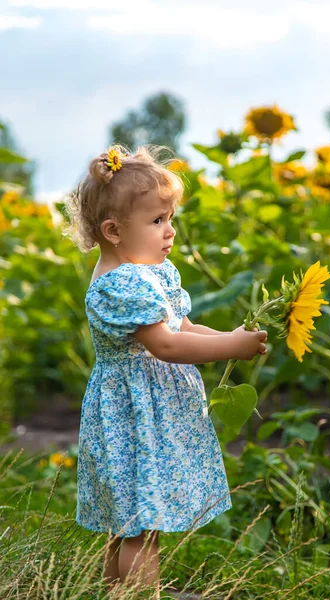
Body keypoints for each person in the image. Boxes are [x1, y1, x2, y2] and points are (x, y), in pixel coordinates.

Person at [63, 144, 268, 599]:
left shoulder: (147, 272)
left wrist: (229, 336)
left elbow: (183, 326)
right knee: (141, 527)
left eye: (170, 218)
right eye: (157, 221)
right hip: (135, 417)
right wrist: (231, 347)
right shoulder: (121, 284)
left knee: (131, 523)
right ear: (114, 230)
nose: (170, 231)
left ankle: (120, 595)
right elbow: (167, 344)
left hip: (144, 410)